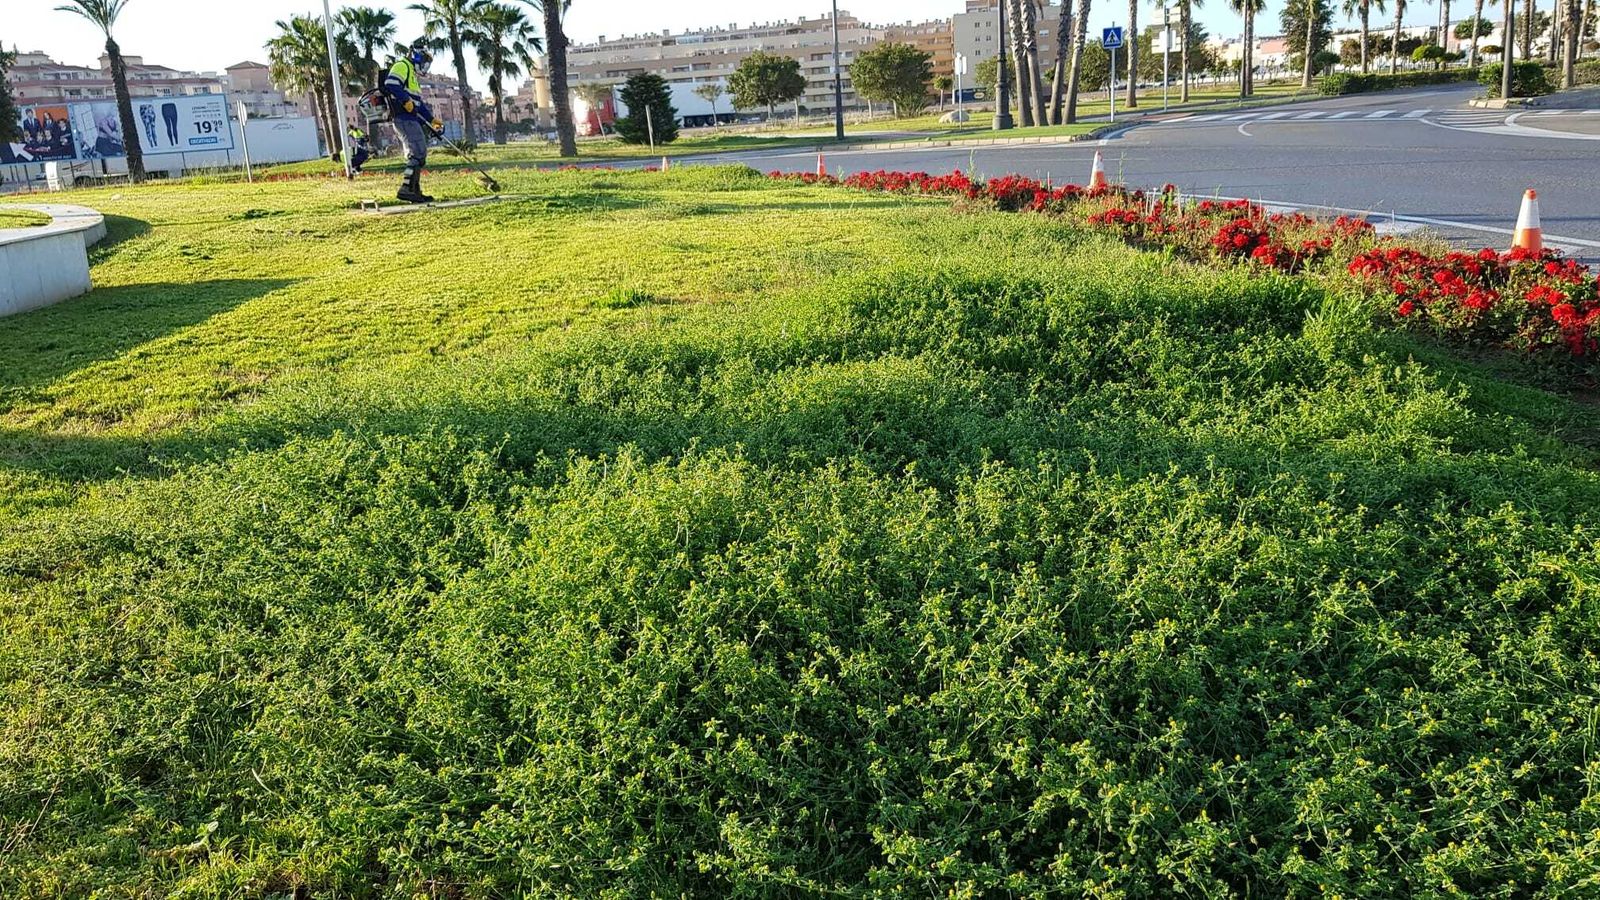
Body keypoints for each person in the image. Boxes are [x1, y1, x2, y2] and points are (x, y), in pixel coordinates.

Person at [382, 43, 444, 204]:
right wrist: (405, 101)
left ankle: (415, 191)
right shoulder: (402, 66)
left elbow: (418, 103)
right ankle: (406, 189)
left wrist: (431, 119)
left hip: (411, 118)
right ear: (416, 56)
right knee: (417, 152)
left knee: (420, 153)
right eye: (424, 61)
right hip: (403, 117)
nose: (425, 66)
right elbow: (391, 84)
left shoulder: (412, 76)